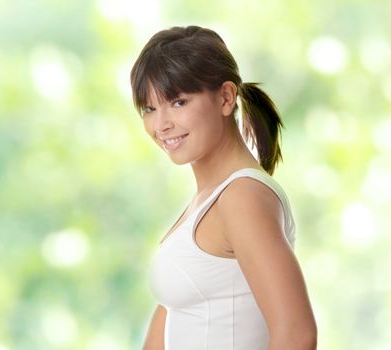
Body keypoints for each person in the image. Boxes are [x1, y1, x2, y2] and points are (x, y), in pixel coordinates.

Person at [130, 25, 317, 350]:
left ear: (226, 98)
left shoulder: (242, 197)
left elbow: (297, 335)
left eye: (177, 102)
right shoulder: (208, 201)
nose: (161, 124)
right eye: (149, 108)